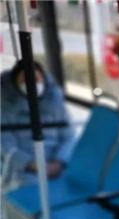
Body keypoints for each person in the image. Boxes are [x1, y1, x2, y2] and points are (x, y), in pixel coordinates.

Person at [1, 59, 75, 192]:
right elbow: (6, 145)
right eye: (25, 80)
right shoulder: (5, 107)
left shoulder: (55, 103)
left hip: (57, 163)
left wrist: (59, 162)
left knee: (77, 184)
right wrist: (33, 165)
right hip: (23, 168)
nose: (32, 83)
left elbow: (69, 136)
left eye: (36, 79)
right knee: (34, 191)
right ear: (15, 82)